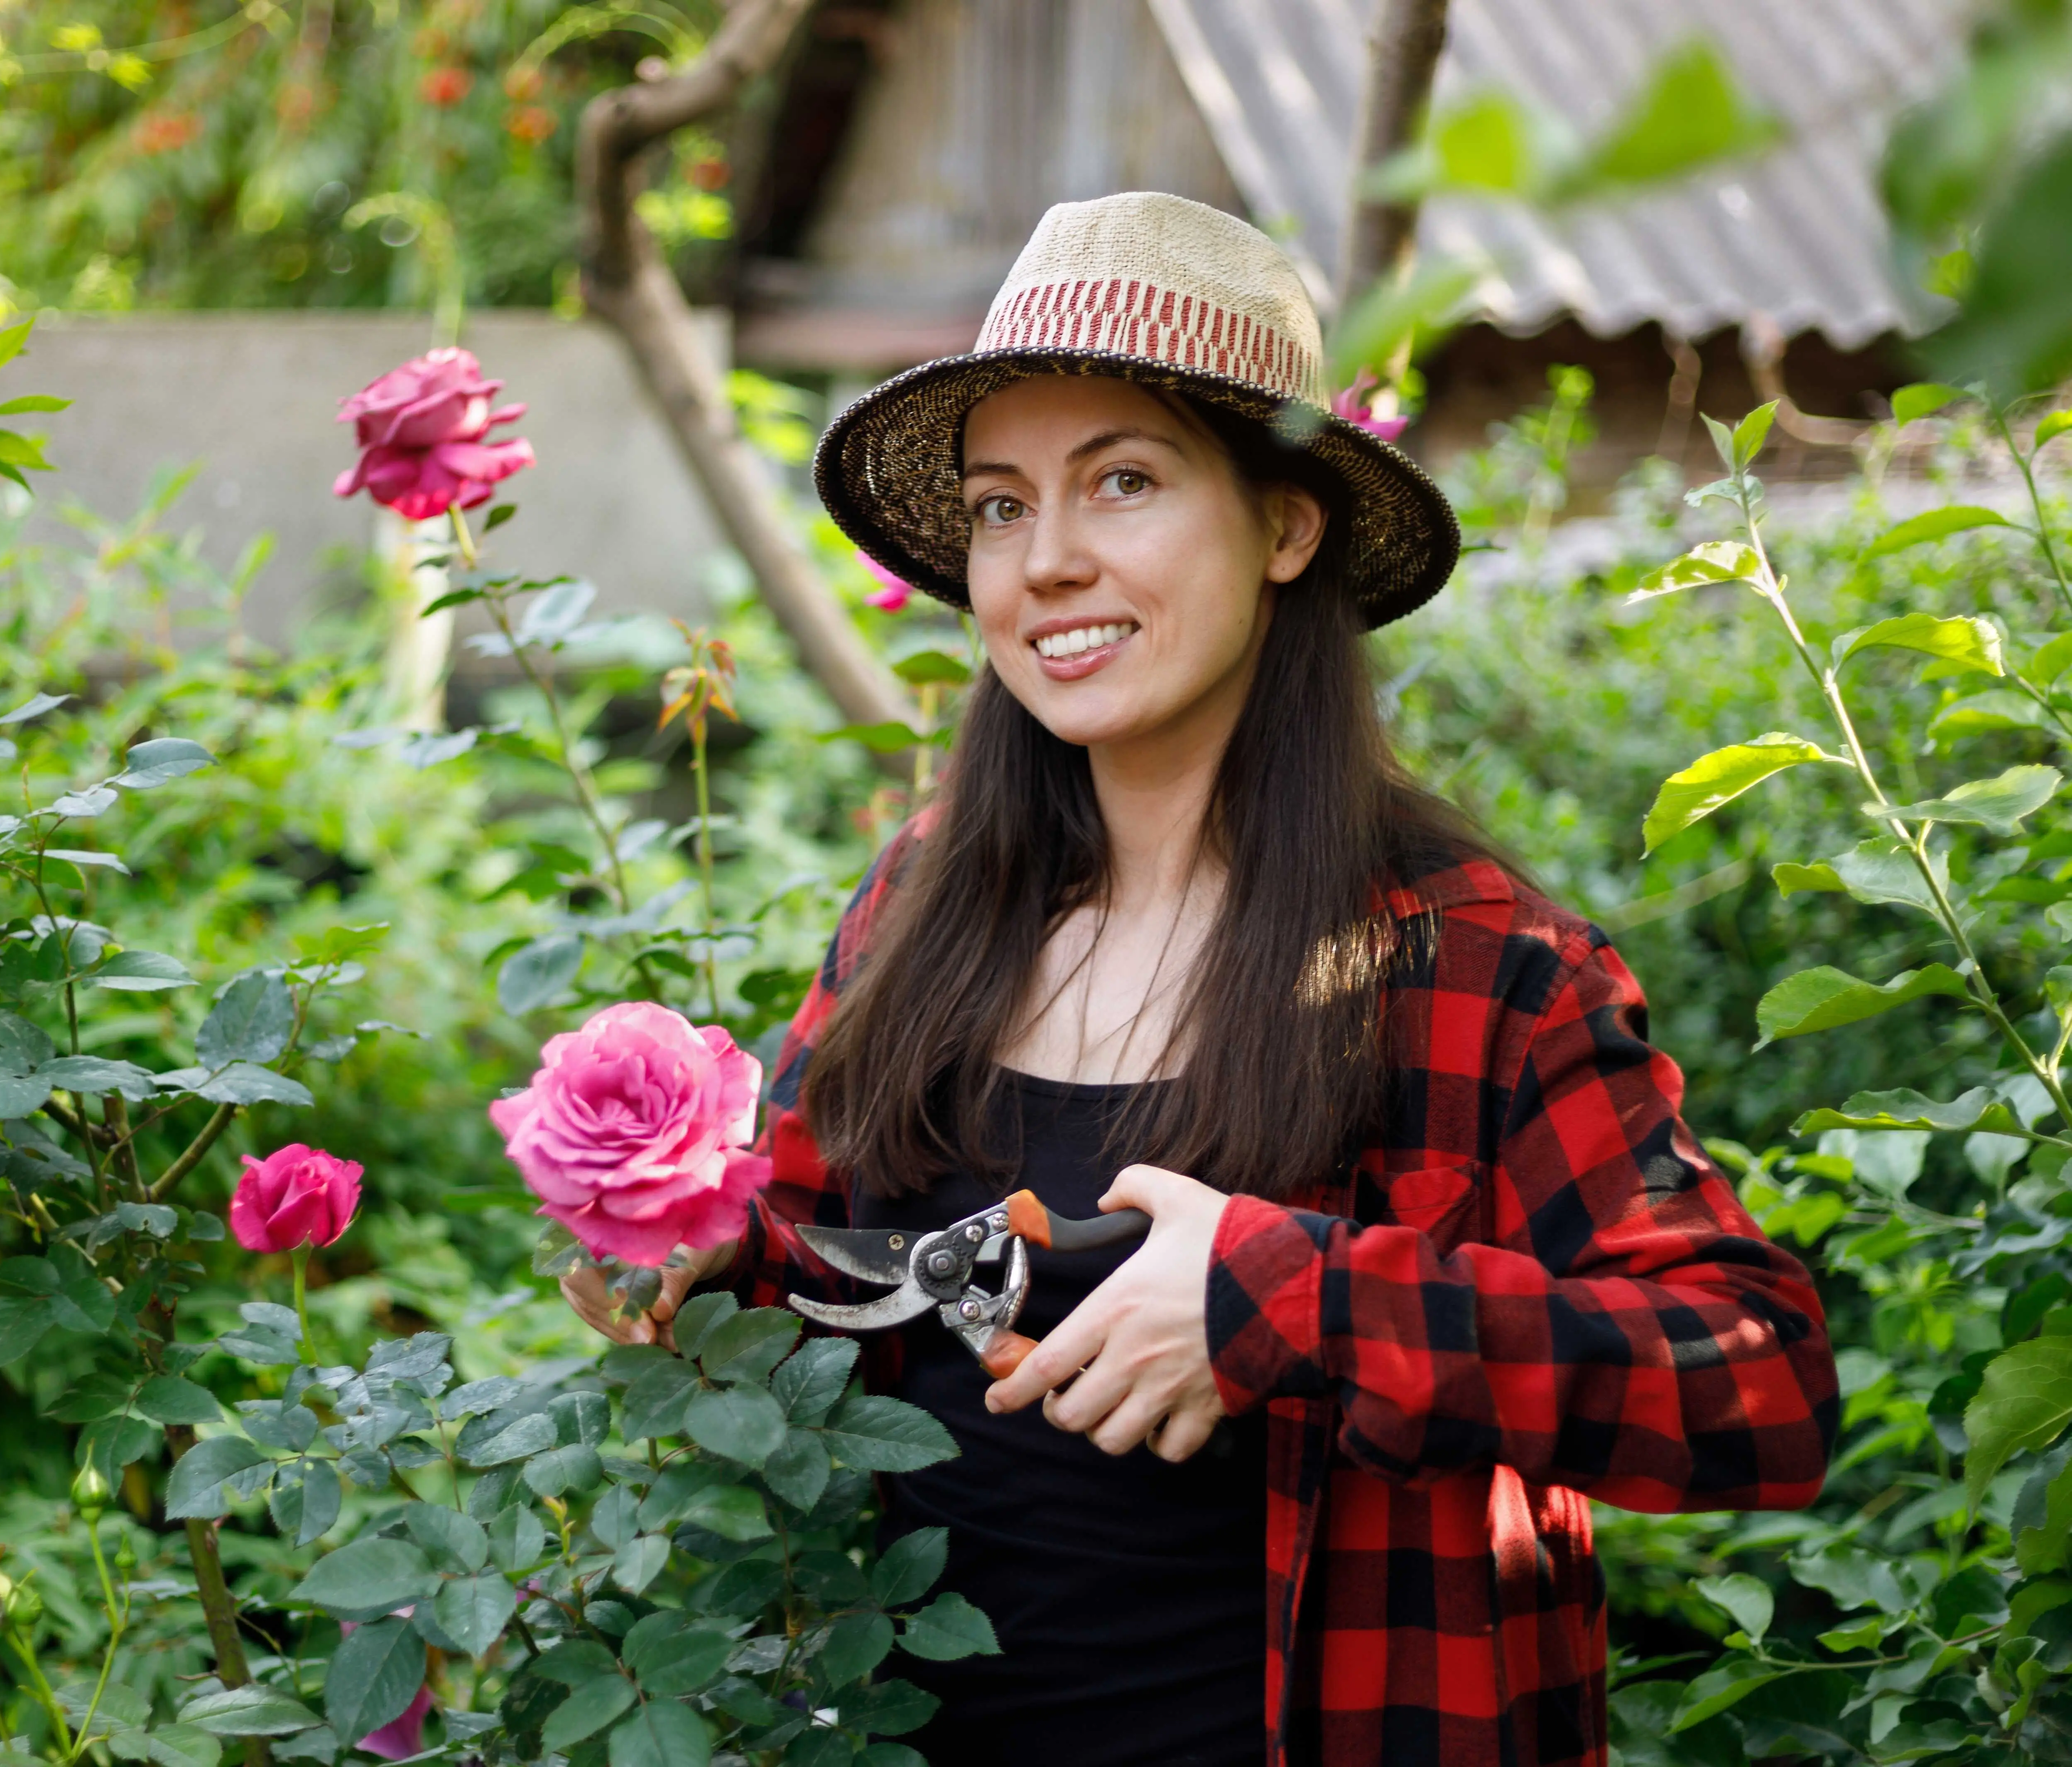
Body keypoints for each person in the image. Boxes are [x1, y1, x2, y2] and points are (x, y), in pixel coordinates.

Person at [557, 192, 1838, 1767]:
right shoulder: (928, 899)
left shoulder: (1475, 965)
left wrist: (1285, 1300)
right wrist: (681, 1250)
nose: (1046, 564)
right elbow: (823, 1268)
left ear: (1286, 525)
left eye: (1125, 482)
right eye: (1001, 506)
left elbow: (1757, 1387)